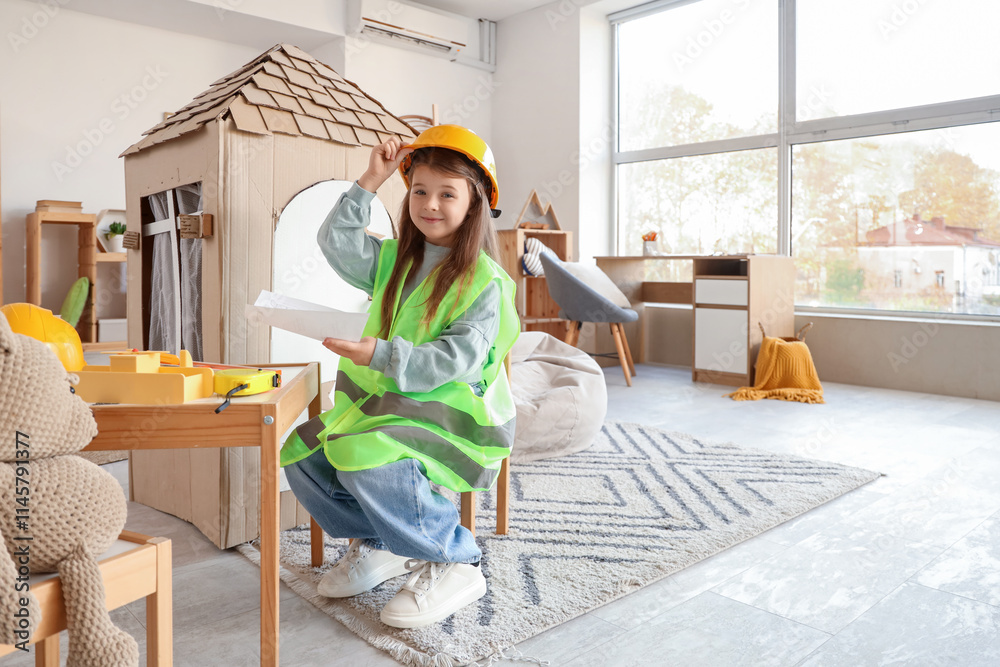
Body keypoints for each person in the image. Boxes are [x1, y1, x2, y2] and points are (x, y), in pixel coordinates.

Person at [280, 125, 519, 629]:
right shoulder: (393, 260)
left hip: (452, 419)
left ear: (475, 203)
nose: (430, 203)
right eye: (419, 190)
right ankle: (383, 542)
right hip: (384, 406)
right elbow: (335, 240)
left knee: (367, 459)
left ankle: (454, 559)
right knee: (302, 456)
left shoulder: (485, 282)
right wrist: (371, 179)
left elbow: (457, 359)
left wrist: (380, 354)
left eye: (447, 193)